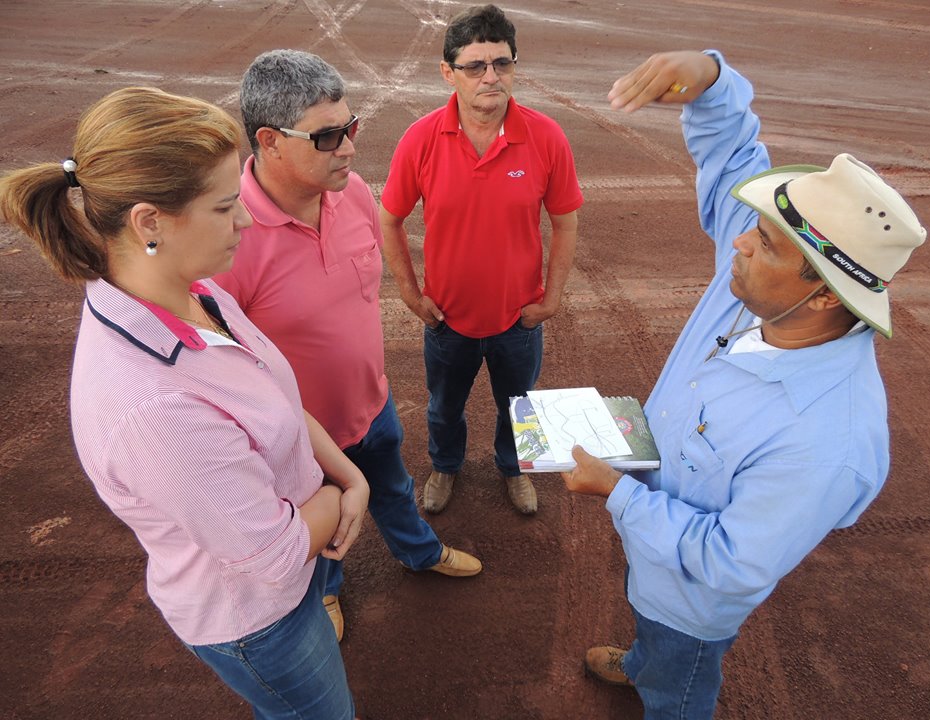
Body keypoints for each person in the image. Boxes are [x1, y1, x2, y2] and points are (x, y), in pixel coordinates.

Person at [563, 50, 926, 719]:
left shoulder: (828, 441)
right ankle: (642, 660)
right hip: (653, 552)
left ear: (824, 296)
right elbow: (734, 156)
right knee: (650, 629)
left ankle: (660, 680)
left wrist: (617, 492)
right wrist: (709, 76)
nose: (740, 245)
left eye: (765, 243)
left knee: (680, 682)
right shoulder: (770, 290)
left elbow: (728, 563)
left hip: (691, 601)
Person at [0, 86, 369, 720]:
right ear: (149, 222)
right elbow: (274, 560)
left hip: (297, 556)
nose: (246, 220)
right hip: (259, 620)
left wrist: (348, 471)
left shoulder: (194, 293)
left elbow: (273, 396)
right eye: (226, 206)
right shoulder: (151, 406)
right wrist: (339, 497)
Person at [212, 49, 482, 643]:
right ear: (269, 141)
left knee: (393, 489)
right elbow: (226, 371)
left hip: (372, 404)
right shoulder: (228, 237)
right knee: (324, 523)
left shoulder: (354, 192)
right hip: (298, 439)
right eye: (328, 135)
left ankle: (418, 551)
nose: (349, 147)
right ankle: (327, 591)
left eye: (351, 127)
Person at [380, 4, 583, 516]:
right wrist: (410, 293)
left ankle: (514, 470)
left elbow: (565, 220)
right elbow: (389, 218)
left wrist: (551, 298)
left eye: (502, 63)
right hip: (447, 319)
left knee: (519, 408)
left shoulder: (546, 137)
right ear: (448, 72)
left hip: (519, 318)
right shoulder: (421, 138)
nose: (491, 77)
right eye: (476, 66)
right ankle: (446, 466)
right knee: (443, 408)